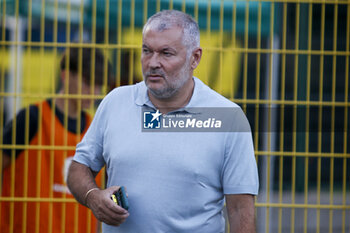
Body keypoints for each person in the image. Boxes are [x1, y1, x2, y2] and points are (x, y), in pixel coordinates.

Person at [67, 10, 259, 233]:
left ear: (195, 58)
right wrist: (93, 197)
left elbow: (240, 211)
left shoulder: (228, 118)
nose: (153, 63)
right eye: (147, 51)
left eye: (166, 53)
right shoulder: (115, 103)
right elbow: (78, 168)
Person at [1, 47, 114, 233]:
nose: (94, 92)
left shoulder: (95, 130)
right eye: (88, 82)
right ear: (66, 76)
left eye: (98, 85)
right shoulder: (31, 118)